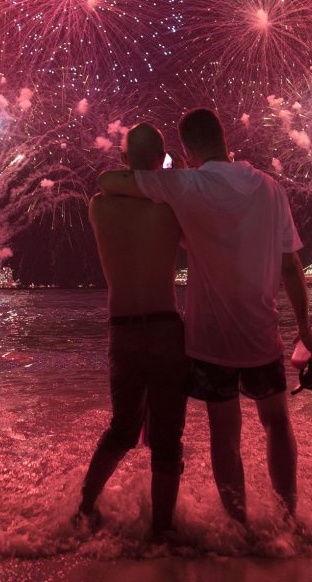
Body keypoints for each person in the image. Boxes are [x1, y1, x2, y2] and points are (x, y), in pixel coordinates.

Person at [98, 108, 312, 526]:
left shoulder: (188, 185)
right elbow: (291, 266)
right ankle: (289, 520)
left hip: (211, 341)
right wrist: (305, 329)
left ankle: (241, 528)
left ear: (187, 149)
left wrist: (177, 173)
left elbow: (111, 182)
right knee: (277, 423)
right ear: (223, 137)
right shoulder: (270, 188)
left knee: (226, 434)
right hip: (263, 334)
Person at [78, 122, 189, 539]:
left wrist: (136, 171)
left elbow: (113, 183)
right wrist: (167, 175)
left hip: (121, 330)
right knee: (166, 440)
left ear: (123, 160)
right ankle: (162, 533)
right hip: (165, 327)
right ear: (160, 161)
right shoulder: (171, 207)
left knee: (122, 429)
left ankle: (83, 509)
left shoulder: (99, 207)